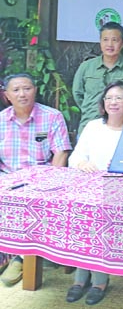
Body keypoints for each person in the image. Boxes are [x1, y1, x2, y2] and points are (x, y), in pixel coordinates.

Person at [66, 80, 123, 305]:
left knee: (102, 228)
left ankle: (99, 280)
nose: (113, 102)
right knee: (84, 225)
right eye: (109, 98)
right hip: (89, 190)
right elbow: (74, 158)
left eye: (119, 97)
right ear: (103, 102)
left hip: (119, 194)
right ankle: (80, 279)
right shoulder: (93, 126)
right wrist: (83, 164)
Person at [0, 73, 72, 286]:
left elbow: (61, 153)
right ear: (7, 95)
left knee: (33, 203)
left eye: (27, 88)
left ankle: (21, 257)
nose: (22, 94)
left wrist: (49, 184)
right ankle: (5, 253)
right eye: (16, 90)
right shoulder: (1, 120)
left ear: (35, 90)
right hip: (6, 179)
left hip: (39, 182)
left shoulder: (52, 116)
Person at [73, 22, 123, 135]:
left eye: (115, 40)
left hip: (121, 129)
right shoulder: (86, 67)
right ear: (100, 42)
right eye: (105, 39)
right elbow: (78, 94)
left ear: (122, 43)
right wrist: (92, 109)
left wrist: (119, 114)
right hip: (89, 126)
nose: (110, 44)